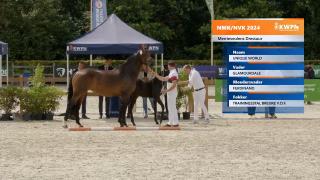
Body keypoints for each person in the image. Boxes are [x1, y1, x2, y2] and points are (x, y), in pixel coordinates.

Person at [149, 61, 179, 127]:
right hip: (170, 93)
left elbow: (174, 85)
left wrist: (166, 90)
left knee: (172, 107)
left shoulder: (173, 73)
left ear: (170, 66)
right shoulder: (171, 72)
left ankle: (175, 123)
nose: (167, 66)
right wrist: (155, 74)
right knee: (170, 107)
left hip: (172, 93)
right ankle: (170, 122)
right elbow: (163, 79)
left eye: (168, 65)